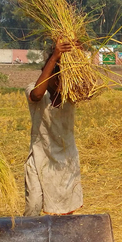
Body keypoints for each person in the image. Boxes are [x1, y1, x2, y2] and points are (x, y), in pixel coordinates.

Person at [24, 40, 83, 217]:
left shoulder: (70, 94)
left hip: (66, 160)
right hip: (39, 156)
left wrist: (80, 58)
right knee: (33, 206)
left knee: (64, 211)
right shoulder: (33, 90)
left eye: (62, 75)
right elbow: (37, 94)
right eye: (54, 75)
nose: (59, 80)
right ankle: (29, 240)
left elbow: (88, 88)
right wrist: (55, 57)